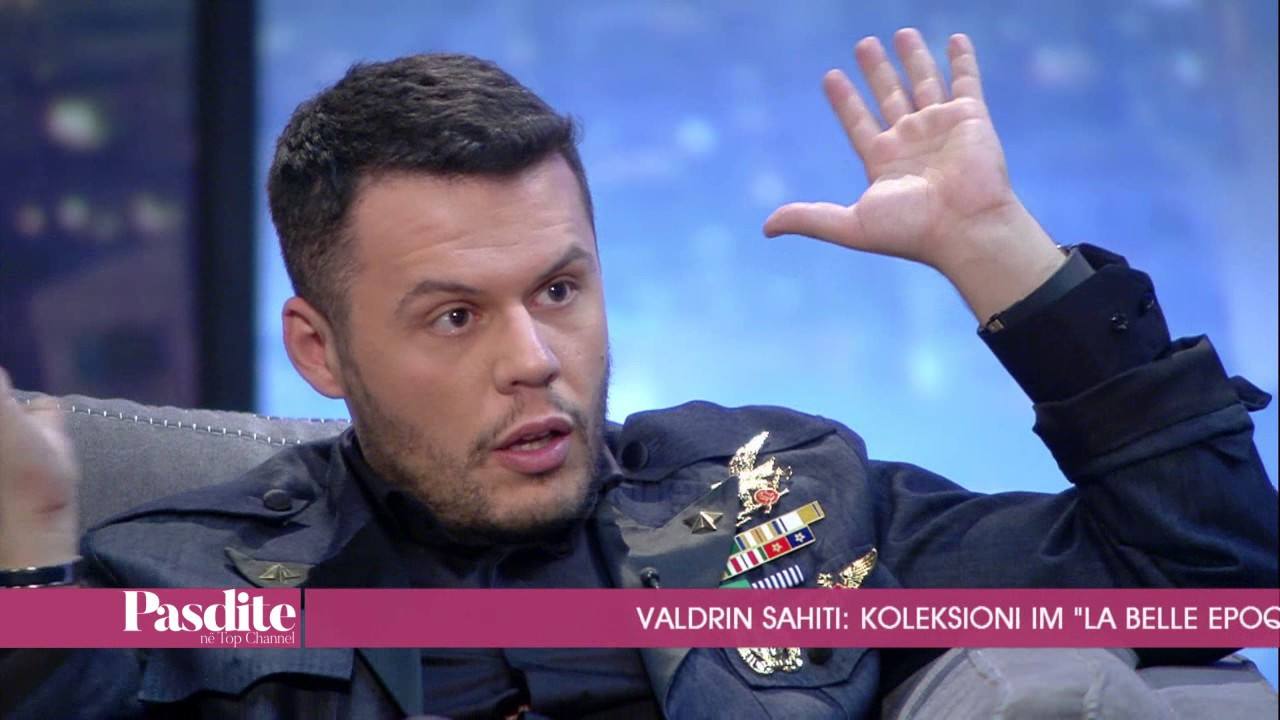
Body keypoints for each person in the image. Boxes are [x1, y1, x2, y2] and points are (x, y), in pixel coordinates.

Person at [1, 28, 1276, 719]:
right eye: (454, 317)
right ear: (318, 350)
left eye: (559, 291)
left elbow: (1208, 588)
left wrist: (999, 255)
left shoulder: (788, 500)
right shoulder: (190, 581)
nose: (532, 361)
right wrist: (30, 537)